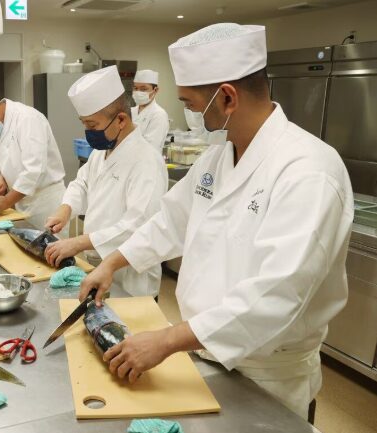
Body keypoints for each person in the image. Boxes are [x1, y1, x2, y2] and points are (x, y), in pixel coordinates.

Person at [79, 23, 353, 418]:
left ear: (227, 98)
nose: (189, 114)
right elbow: (169, 222)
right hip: (202, 350)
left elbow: (277, 294)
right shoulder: (217, 157)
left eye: (191, 104)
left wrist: (167, 340)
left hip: (267, 377)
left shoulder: (308, 171)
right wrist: (112, 262)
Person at [44, 66, 167, 297]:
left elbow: (138, 225)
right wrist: (65, 209)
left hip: (130, 278)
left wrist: (79, 242)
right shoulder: (102, 150)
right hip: (98, 263)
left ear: (120, 120)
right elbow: (82, 182)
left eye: (92, 125)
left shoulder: (146, 161)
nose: (88, 131)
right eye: (84, 124)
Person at [0, 89, 66, 230]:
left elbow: (34, 170)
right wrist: (2, 177)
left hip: (46, 203)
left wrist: (6, 201)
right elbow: (3, 157)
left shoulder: (28, 119)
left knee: (51, 243)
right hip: (22, 199)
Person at [131, 69, 169, 152]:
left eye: (143, 89)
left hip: (147, 159)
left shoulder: (159, 114)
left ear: (155, 90)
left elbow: (149, 148)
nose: (138, 92)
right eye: (135, 88)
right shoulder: (130, 111)